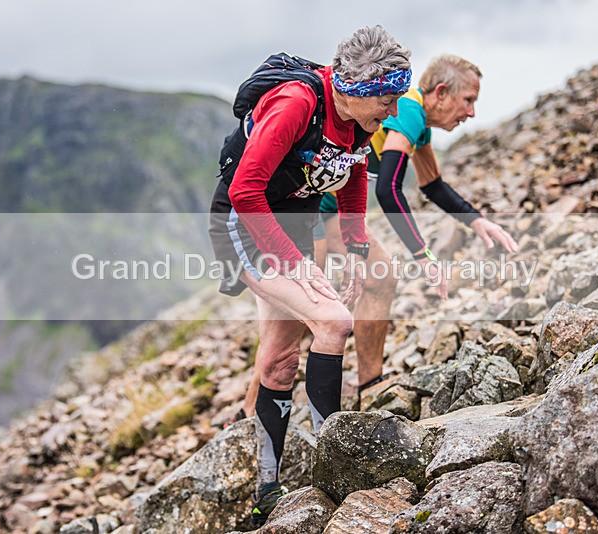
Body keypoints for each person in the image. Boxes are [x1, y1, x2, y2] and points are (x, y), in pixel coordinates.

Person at [235, 54, 519, 421]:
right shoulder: (410, 112)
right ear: (441, 93)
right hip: (313, 209)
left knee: (375, 279)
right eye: (468, 100)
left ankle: (370, 385)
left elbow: (432, 184)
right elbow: (388, 190)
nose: (471, 112)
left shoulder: (419, 123)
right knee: (300, 316)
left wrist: (478, 222)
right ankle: (249, 412)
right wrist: (423, 255)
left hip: (332, 210)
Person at [208, 26, 411, 526]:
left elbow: (353, 178)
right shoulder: (296, 103)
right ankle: (334, 469)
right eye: (386, 101)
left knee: (280, 362)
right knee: (333, 321)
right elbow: (244, 192)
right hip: (244, 223)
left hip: (290, 224)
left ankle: (266, 489)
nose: (392, 113)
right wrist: (296, 263)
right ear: (355, 88)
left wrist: (357, 250)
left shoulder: (358, 119)